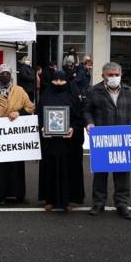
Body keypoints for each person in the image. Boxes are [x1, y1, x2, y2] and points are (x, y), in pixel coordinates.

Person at [84, 62, 131, 220]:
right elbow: (87, 110)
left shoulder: (130, 91)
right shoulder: (93, 91)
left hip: (124, 138)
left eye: (116, 74)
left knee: (123, 173)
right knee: (100, 173)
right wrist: (89, 123)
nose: (114, 77)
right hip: (103, 139)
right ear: (103, 75)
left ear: (121, 74)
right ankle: (98, 203)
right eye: (110, 75)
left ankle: (122, 203)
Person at [0, 64, 35, 204]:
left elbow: (30, 106)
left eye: (7, 74)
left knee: (16, 166)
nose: (5, 76)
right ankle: (0, 195)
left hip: (14, 137)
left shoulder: (19, 91)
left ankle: (18, 195)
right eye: (2, 74)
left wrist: (19, 112)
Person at [38, 71, 85, 211]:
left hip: (68, 142)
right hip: (50, 142)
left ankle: (68, 200)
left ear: (67, 81)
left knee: (69, 168)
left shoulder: (73, 97)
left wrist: (73, 128)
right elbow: (39, 114)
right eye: (55, 80)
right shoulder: (45, 95)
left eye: (61, 80)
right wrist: (42, 127)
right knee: (50, 169)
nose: (58, 83)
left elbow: (79, 117)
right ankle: (49, 200)